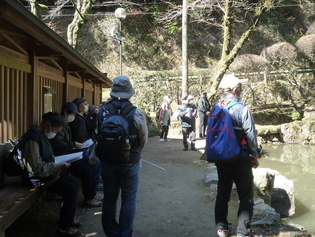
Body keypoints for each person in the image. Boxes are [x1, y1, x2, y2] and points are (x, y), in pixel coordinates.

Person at [98, 75, 148, 237]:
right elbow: (143, 138)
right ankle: (125, 234)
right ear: (129, 93)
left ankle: (111, 232)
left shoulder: (103, 111)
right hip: (129, 160)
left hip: (107, 160)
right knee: (129, 198)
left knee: (109, 197)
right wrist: (136, 152)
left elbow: (98, 134)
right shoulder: (136, 113)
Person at [212, 74, 260, 237]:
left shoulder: (216, 107)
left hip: (221, 157)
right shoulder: (242, 108)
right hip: (240, 157)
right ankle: (242, 232)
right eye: (240, 87)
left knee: (223, 191)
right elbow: (251, 136)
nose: (241, 90)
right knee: (245, 195)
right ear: (234, 90)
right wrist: (255, 154)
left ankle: (222, 229)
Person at [20, 112, 80, 237]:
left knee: (73, 184)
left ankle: (68, 219)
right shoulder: (33, 139)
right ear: (47, 125)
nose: (56, 133)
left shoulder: (40, 136)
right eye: (56, 129)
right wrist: (57, 166)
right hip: (36, 177)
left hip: (47, 172)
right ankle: (63, 228)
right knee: (71, 189)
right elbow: (35, 168)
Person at [49, 102, 102, 207]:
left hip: (68, 154)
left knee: (88, 164)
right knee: (86, 170)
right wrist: (73, 144)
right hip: (61, 157)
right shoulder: (60, 124)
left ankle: (91, 195)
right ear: (66, 112)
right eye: (72, 114)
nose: (73, 116)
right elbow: (57, 144)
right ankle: (89, 198)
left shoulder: (66, 124)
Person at [71, 97, 103, 191]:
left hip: (85, 144)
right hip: (80, 146)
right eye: (85, 104)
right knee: (95, 161)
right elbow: (80, 136)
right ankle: (95, 182)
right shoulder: (78, 119)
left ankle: (96, 180)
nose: (87, 106)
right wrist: (86, 145)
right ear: (80, 107)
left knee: (97, 159)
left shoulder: (83, 117)